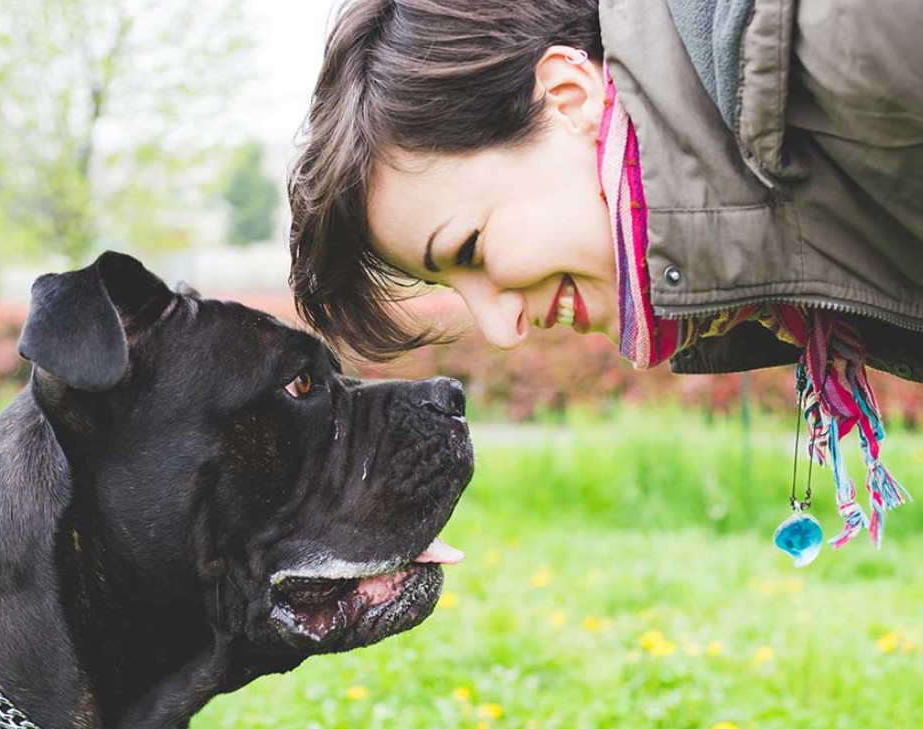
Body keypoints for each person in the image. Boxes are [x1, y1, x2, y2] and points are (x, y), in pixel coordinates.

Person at [286, 0, 923, 555]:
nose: (502, 330)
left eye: (472, 249)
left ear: (568, 98)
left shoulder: (849, 38)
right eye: (454, 286)